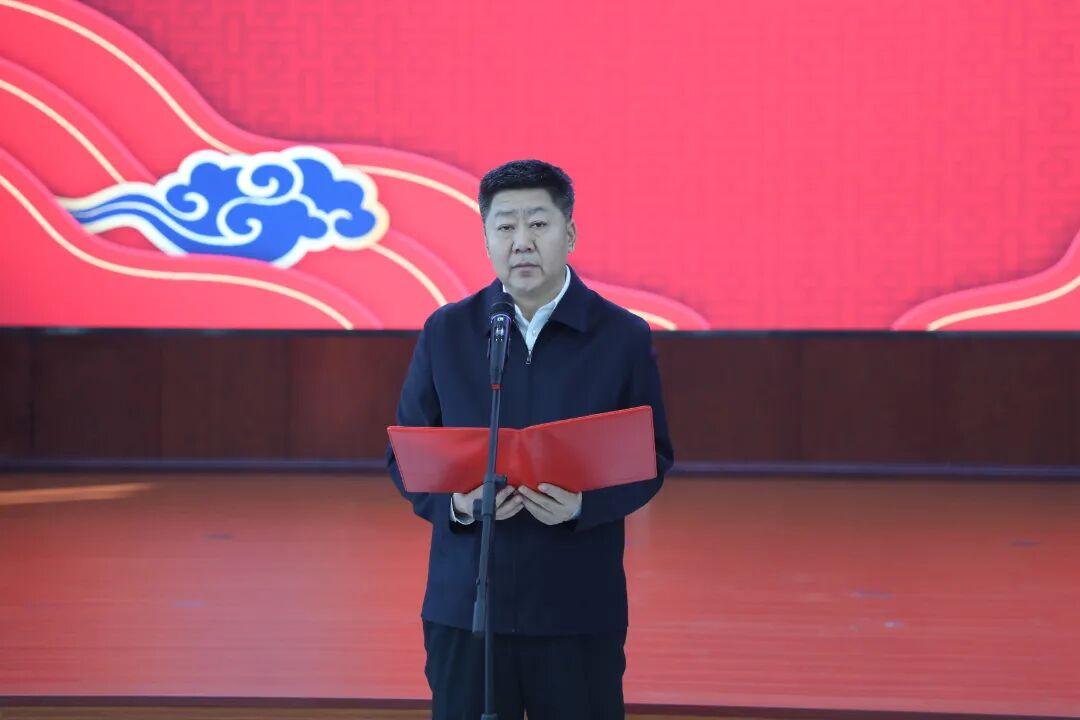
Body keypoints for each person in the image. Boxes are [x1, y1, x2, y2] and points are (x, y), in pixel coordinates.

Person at [386, 159, 674, 720]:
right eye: (505, 226)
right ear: (486, 239)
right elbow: (405, 455)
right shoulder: (448, 330)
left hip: (576, 605)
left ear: (570, 234)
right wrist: (459, 506)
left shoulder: (621, 336)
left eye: (538, 224)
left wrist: (584, 507)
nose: (522, 241)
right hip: (466, 606)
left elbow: (653, 457)